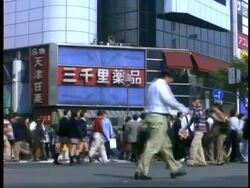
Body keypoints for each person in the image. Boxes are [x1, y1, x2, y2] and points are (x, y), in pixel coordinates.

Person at [134, 68, 189, 180]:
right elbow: (169, 99)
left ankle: (174, 168)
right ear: (167, 77)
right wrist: (182, 108)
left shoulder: (152, 86)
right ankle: (140, 171)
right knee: (153, 145)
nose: (172, 81)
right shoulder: (162, 85)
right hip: (158, 117)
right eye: (171, 79)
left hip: (152, 116)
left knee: (166, 145)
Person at [186, 97, 207, 167]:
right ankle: (202, 161)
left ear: (200, 103)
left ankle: (191, 161)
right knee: (199, 147)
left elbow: (198, 116)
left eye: (195, 102)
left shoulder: (201, 110)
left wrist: (194, 109)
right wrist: (184, 128)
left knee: (193, 145)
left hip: (200, 131)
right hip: (197, 130)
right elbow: (191, 121)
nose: (194, 103)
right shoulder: (196, 111)